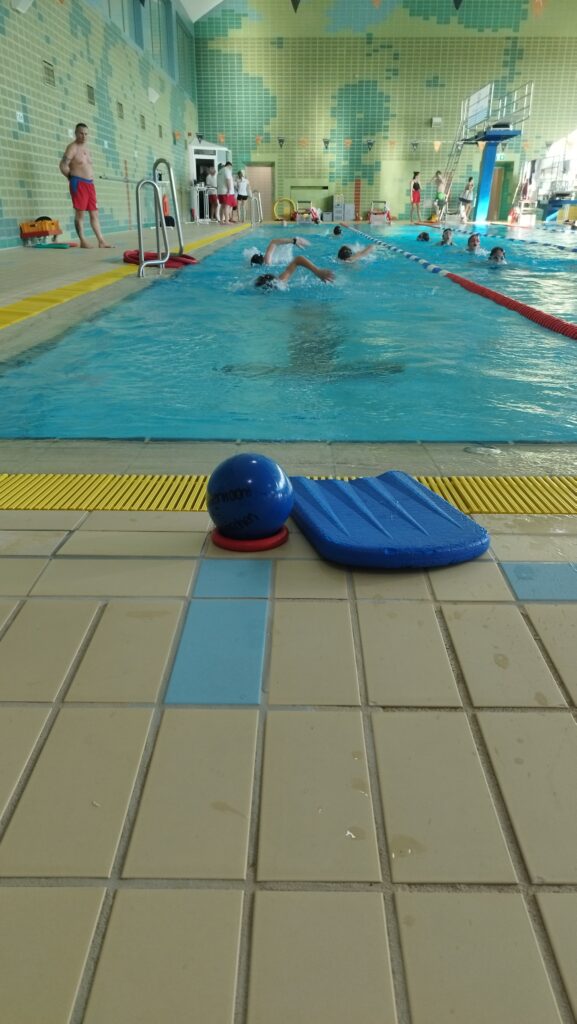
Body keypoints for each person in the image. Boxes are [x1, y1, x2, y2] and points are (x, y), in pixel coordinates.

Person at [59, 123, 110, 248]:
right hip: (79, 183)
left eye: (86, 134)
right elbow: (63, 165)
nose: (84, 136)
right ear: (75, 133)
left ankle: (101, 241)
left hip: (90, 185)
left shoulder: (87, 149)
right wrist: (71, 178)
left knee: (94, 213)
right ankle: (82, 240)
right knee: (80, 214)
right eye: (81, 133)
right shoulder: (72, 148)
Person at [255, 254, 334, 289]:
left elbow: (298, 260)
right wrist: (317, 271)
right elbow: (297, 260)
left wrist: (317, 271)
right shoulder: (280, 283)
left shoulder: (279, 283)